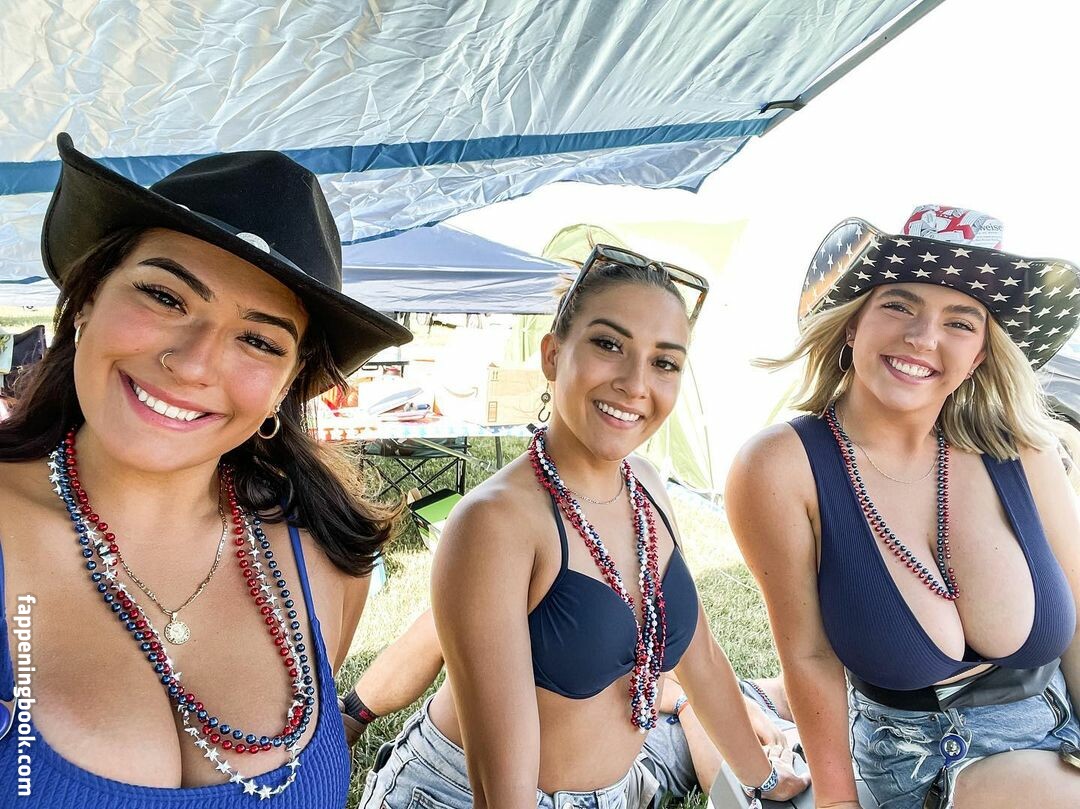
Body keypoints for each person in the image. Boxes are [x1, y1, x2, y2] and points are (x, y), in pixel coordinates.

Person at [0, 133, 412, 807]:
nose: (193, 364)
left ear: (286, 386)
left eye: (258, 339)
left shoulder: (327, 559)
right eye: (165, 297)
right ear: (86, 299)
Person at [358, 245, 810, 808]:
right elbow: (503, 783)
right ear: (552, 355)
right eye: (609, 345)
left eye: (664, 363)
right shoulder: (495, 523)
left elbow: (703, 660)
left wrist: (763, 778)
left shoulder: (648, 487)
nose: (635, 383)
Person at [726, 205, 1080, 808]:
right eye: (898, 305)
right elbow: (808, 656)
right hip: (919, 766)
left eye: (960, 322)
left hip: (1059, 743)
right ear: (851, 325)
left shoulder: (1022, 451)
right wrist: (838, 801)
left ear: (980, 355)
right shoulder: (782, 466)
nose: (923, 337)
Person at [342, 607, 799, 801]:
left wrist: (689, 706)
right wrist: (681, 696)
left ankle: (350, 718)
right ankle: (350, 717)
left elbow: (721, 784)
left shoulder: (775, 736)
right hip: (460, 779)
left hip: (612, 773)